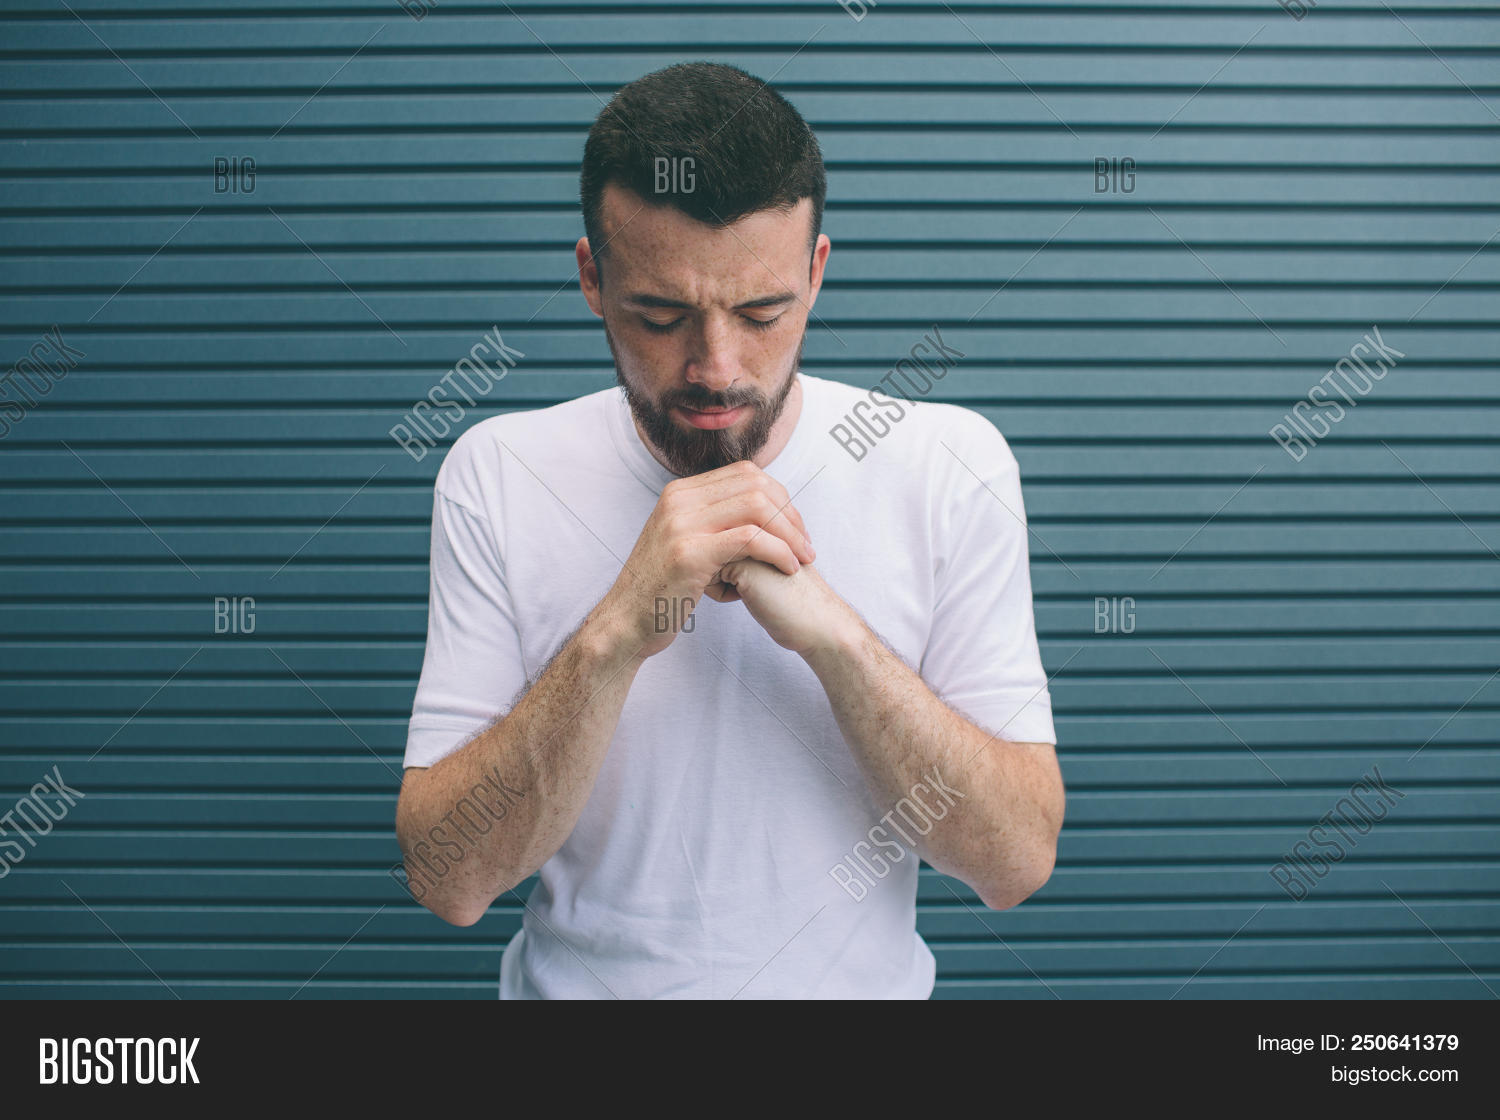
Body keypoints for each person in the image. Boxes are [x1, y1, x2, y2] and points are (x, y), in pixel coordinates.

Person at [394, 61, 1064, 999]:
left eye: (761, 313)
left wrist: (839, 643)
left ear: (816, 273)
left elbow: (1017, 860)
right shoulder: (500, 471)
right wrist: (617, 630)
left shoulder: (950, 464)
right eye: (661, 315)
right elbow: (448, 879)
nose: (715, 367)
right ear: (592, 279)